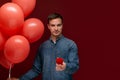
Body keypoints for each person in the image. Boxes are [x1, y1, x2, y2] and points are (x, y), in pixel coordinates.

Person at [8, 13, 79, 80]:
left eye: (59, 25)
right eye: (53, 25)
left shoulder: (70, 44)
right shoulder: (43, 47)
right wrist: (20, 79)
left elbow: (75, 67)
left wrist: (65, 66)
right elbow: (36, 70)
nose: (56, 28)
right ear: (48, 26)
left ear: (62, 25)